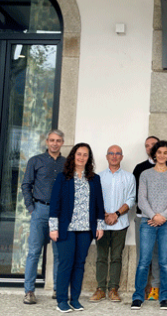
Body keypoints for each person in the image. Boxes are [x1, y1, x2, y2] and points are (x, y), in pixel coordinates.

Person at [49, 143, 105, 312]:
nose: (81, 157)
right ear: (73, 156)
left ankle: (75, 299)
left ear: (89, 158)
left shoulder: (94, 179)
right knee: (66, 263)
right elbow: (55, 204)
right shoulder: (63, 177)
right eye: (79, 154)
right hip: (67, 228)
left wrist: (100, 225)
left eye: (85, 155)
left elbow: (99, 205)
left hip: (86, 229)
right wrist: (53, 227)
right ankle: (61, 301)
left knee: (79, 264)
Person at [131, 140, 167, 311]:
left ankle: (165, 297)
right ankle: (138, 296)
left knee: (164, 261)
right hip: (147, 222)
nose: (162, 155)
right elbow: (141, 198)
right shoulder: (145, 174)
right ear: (154, 154)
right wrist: (153, 216)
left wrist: (163, 216)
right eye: (159, 152)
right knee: (144, 261)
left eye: (165, 153)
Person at [22, 129, 65, 304]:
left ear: (62, 143)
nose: (55, 143)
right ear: (47, 142)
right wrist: (32, 208)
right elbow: (26, 185)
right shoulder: (35, 161)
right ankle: (29, 291)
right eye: (52, 140)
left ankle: (57, 289)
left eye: (58, 140)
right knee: (34, 252)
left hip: (60, 214)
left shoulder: (66, 163)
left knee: (59, 254)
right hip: (39, 210)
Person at [90, 145, 136, 303]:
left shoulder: (129, 177)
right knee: (101, 257)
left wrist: (116, 214)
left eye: (117, 154)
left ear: (121, 157)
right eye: (111, 153)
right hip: (102, 224)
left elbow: (131, 199)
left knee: (116, 257)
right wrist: (104, 216)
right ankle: (100, 289)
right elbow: (94, 199)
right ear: (106, 156)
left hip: (120, 223)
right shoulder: (98, 177)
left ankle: (113, 289)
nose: (114, 156)